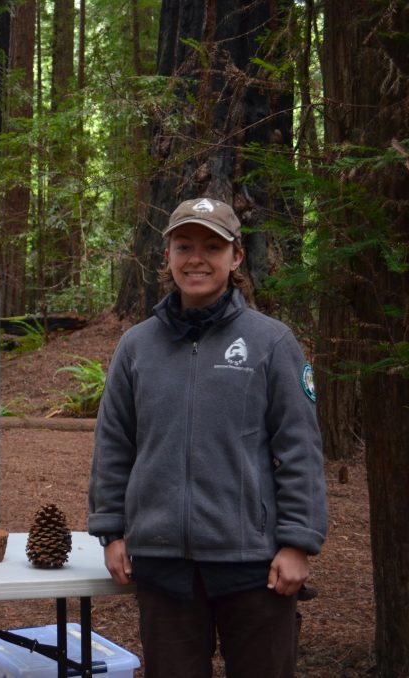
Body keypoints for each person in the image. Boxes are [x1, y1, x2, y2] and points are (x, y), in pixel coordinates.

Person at [87, 197, 328, 678]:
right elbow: (114, 444)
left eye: (211, 246)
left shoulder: (271, 343)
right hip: (162, 563)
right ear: (168, 256)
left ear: (235, 257)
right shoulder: (137, 347)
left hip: (254, 567)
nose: (196, 258)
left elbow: (299, 448)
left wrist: (298, 542)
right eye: (184, 245)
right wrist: (112, 531)